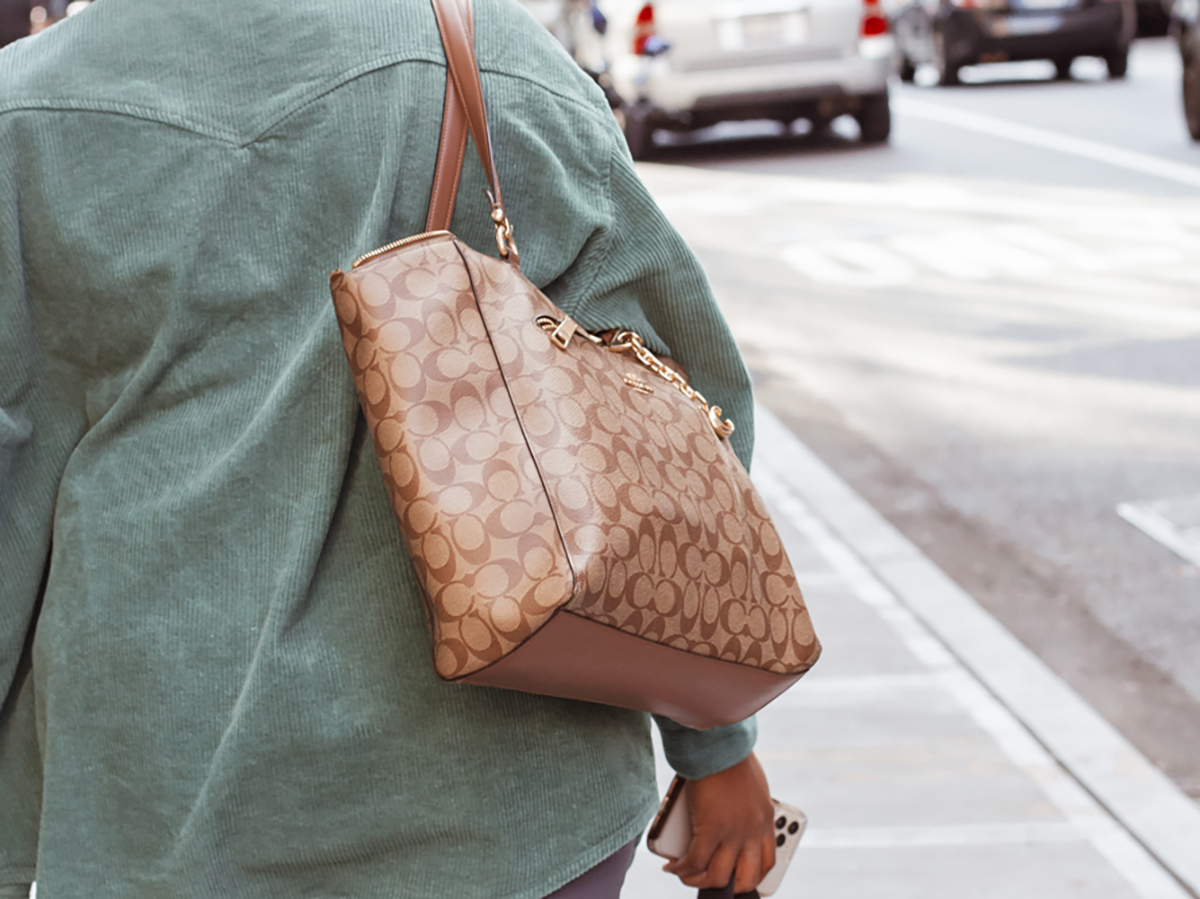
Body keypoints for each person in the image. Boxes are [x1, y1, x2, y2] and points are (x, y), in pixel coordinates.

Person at [0, 0, 778, 896]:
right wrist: (714, 742)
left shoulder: (28, 113)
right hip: (501, 805)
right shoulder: (492, 61)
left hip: (158, 792)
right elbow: (678, 422)